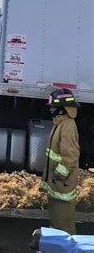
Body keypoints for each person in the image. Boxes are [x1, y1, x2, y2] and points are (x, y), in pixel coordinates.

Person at [40, 88, 80, 235]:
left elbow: (70, 156)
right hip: (57, 183)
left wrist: (59, 175)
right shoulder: (60, 124)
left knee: (64, 223)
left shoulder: (68, 126)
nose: (51, 109)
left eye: (54, 107)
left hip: (62, 183)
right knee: (56, 221)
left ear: (62, 109)